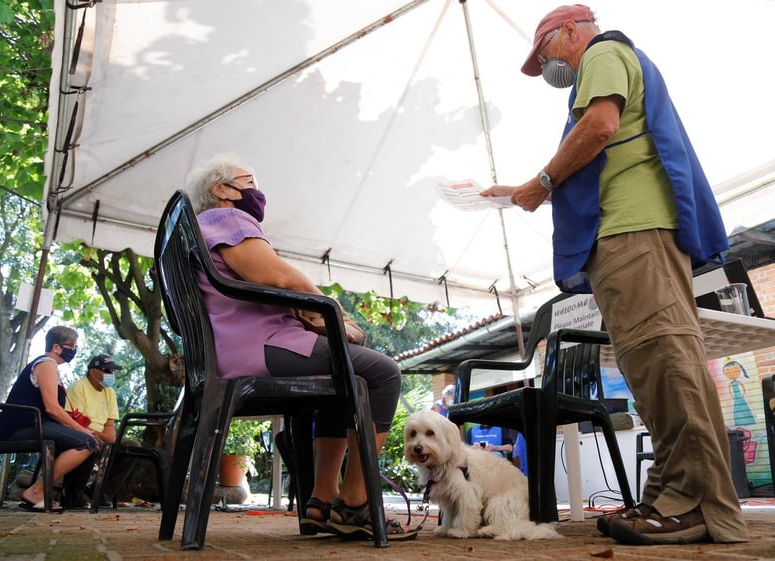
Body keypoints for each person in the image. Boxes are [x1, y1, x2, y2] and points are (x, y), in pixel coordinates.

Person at [480, 4, 747, 546]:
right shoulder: (610, 59)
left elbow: (599, 127)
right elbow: (597, 146)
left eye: (545, 52)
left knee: (666, 360)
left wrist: (541, 183)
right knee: (652, 367)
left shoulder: (602, 52)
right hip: (626, 232)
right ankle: (670, 497)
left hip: (633, 231)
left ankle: (694, 504)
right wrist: (520, 190)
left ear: (570, 32)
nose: (547, 68)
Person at [187, 153, 415, 541]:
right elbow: (277, 276)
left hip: (237, 349)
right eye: (249, 181)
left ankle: (321, 503)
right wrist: (333, 313)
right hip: (262, 347)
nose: (256, 191)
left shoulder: (200, 232)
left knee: (341, 378)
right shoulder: (227, 219)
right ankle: (356, 502)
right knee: (382, 373)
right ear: (221, 190)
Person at [0, 326, 98, 512]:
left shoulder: (51, 367)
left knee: (91, 443)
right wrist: (80, 430)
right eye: (71, 346)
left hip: (36, 424)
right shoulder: (46, 364)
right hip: (22, 427)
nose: (74, 351)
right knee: (86, 442)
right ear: (57, 347)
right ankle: (36, 491)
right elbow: (52, 408)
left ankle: (72, 497)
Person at [62, 354, 136, 509]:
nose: (111, 375)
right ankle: (73, 494)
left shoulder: (109, 392)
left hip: (100, 435)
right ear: (93, 371)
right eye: (107, 370)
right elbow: (72, 421)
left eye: (112, 371)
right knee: (90, 441)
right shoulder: (79, 387)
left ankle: (100, 491)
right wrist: (99, 435)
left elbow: (110, 427)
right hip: (79, 433)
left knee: (132, 447)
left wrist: (105, 436)